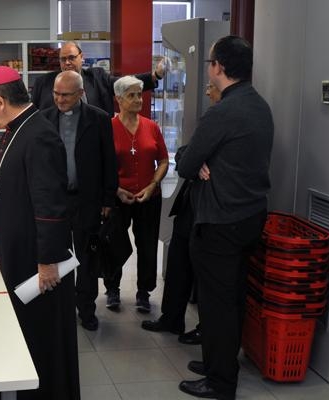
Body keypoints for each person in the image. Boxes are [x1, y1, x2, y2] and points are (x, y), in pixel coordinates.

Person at [0, 66, 77, 399]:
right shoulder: (17, 128)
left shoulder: (38, 135)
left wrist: (48, 262)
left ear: (0, 101)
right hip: (18, 253)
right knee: (24, 333)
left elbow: (51, 206)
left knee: (42, 340)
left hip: (36, 261)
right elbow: (0, 190)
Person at [176, 35, 273, 400]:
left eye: (210, 63)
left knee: (216, 304)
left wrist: (198, 158)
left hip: (219, 221)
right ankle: (219, 362)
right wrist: (205, 158)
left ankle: (220, 381)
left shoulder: (223, 111)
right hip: (250, 216)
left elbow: (185, 164)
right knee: (232, 298)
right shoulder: (259, 106)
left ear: (217, 67)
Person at [140, 81, 222, 343]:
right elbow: (187, 154)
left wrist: (194, 160)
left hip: (211, 211)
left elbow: (192, 161)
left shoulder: (225, 120)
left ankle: (206, 329)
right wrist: (196, 160)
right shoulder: (211, 118)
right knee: (178, 262)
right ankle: (171, 318)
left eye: (211, 86)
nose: (207, 90)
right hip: (190, 204)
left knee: (208, 275)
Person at [39, 70, 117, 331]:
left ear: (81, 94)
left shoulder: (99, 119)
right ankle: (60, 308)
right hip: (56, 202)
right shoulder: (44, 118)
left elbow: (109, 161)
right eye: (56, 94)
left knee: (86, 256)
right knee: (58, 256)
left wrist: (108, 198)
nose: (59, 100)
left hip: (88, 200)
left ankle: (87, 309)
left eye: (66, 95)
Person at [103, 75, 169, 313]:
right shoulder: (108, 128)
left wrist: (152, 185)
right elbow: (100, 165)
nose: (138, 99)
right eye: (131, 95)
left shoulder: (151, 127)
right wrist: (116, 190)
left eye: (139, 94)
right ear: (118, 99)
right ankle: (113, 289)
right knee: (115, 244)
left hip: (148, 196)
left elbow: (162, 160)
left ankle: (144, 292)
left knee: (148, 244)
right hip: (118, 197)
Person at [31, 41, 167, 115]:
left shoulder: (97, 77)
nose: (67, 63)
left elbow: (124, 84)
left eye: (71, 58)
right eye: (63, 59)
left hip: (95, 143)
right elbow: (32, 116)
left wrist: (155, 75)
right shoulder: (43, 83)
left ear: (81, 57)